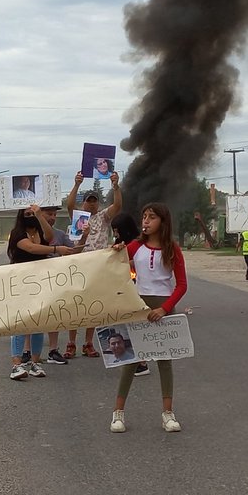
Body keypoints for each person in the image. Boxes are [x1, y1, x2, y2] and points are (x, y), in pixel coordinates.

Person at [108, 202, 187, 433]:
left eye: (151, 217)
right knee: (131, 360)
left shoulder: (173, 249)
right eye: (143, 217)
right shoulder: (134, 246)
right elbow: (113, 264)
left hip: (163, 308)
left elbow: (182, 285)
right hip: (139, 306)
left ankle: (168, 414)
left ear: (163, 221)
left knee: (164, 361)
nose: (145, 221)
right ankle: (118, 414)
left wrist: (165, 308)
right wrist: (116, 251)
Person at [7, 206, 81, 380]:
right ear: (21, 216)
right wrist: (56, 250)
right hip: (21, 282)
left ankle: (35, 362)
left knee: (39, 323)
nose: (30, 216)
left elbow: (50, 237)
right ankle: (16, 364)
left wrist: (41, 216)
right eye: (27, 214)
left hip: (40, 283)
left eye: (32, 214)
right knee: (21, 323)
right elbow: (32, 249)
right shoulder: (17, 234)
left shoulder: (39, 231)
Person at [64, 170, 122, 356]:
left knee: (92, 307)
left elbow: (118, 205)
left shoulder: (104, 217)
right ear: (84, 202)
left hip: (98, 267)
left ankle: (89, 343)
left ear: (98, 202)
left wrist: (115, 186)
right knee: (75, 306)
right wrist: (76, 184)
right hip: (79, 264)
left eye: (94, 200)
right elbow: (69, 204)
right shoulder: (78, 217)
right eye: (88, 200)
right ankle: (71, 343)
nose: (91, 203)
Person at [111, 211, 150, 378]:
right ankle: (135, 360)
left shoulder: (138, 244)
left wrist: (125, 261)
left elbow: (137, 264)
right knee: (127, 326)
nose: (115, 233)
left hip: (137, 289)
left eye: (117, 230)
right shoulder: (120, 243)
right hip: (123, 289)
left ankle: (142, 362)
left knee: (135, 325)